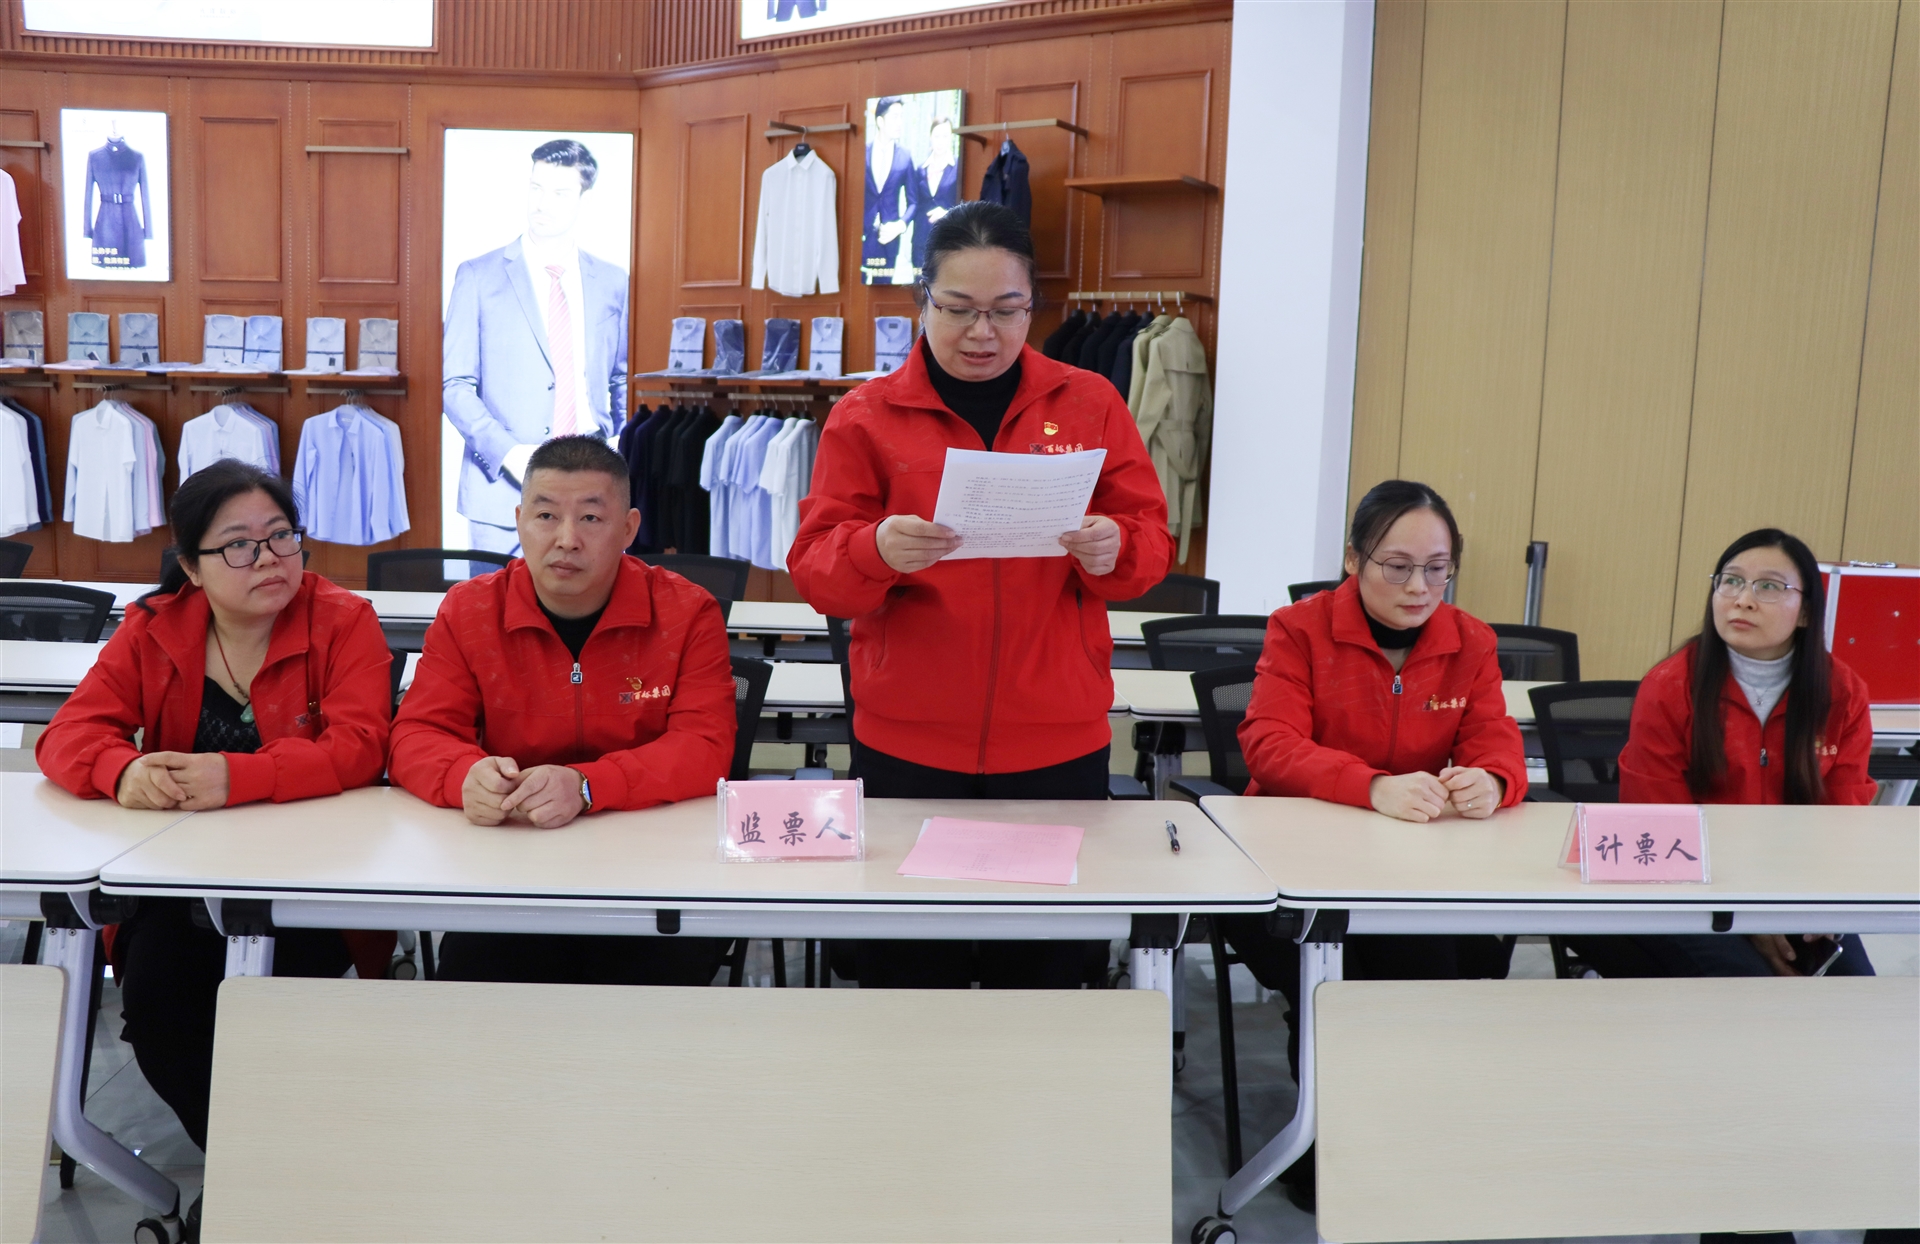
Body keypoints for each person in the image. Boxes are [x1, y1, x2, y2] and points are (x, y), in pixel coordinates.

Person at [788, 200, 1174, 988]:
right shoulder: (866, 416)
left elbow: (1150, 548)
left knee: (1039, 973)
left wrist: (1116, 546)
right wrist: (875, 548)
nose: (982, 332)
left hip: (1055, 741)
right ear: (922, 302)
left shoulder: (1089, 402)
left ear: (1034, 308)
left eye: (1006, 310)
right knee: (910, 970)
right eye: (958, 309)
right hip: (908, 744)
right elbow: (817, 572)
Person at [35, 460, 394, 1163]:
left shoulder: (343, 619)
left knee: (283, 1020)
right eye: (238, 545)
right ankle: (245, 1170)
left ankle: (283, 1168)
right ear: (191, 568)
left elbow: (362, 747)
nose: (268, 558)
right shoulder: (153, 629)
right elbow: (68, 734)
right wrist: (121, 770)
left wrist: (236, 776)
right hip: (178, 879)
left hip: (312, 876)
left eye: (281, 536)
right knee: (160, 1006)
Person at [1217, 478, 1527, 1211]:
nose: (1419, 587)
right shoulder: (1299, 628)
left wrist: (1492, 779)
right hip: (1290, 872)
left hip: (1412, 872)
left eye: (1438, 568)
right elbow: (1269, 744)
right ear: (1354, 560)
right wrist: (1371, 785)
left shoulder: (1470, 639)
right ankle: (1327, 1143)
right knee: (1338, 983)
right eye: (1397, 566)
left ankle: (1407, 1138)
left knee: (1428, 974)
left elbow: (1495, 738)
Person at [388, 435, 737, 985]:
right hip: (509, 868)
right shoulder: (471, 610)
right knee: (474, 1000)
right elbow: (416, 733)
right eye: (546, 515)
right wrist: (463, 777)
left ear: (629, 528)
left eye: (591, 518)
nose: (566, 539)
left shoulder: (686, 612)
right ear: (520, 520)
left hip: (652, 869)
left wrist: (586, 786)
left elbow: (704, 747)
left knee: (653, 1010)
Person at [1566, 529, 1878, 988]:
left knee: (1857, 992)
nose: (1743, 600)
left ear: (1807, 611)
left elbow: (1844, 815)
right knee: (1750, 987)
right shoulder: (1671, 686)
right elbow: (1659, 821)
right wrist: (1743, 917)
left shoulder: (1842, 692)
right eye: (1730, 581)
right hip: (1686, 890)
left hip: (1794, 887)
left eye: (1769, 586)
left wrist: (1820, 905)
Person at [443, 139, 630, 555]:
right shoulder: (477, 276)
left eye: (559, 192)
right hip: (502, 492)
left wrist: (620, 441)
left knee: (589, 597)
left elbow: (622, 377)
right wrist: (508, 453)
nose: (542, 203)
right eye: (536, 188)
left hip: (594, 486)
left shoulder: (613, 281)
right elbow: (454, 385)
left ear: (584, 198)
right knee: (494, 599)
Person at [861, 97, 914, 284]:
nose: (900, 123)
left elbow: (914, 202)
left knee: (882, 291)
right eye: (895, 117)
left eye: (901, 117)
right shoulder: (862, 153)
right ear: (880, 121)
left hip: (889, 239)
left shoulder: (905, 156)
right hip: (861, 237)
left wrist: (900, 225)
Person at [908, 116, 960, 273]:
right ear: (930, 137)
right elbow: (913, 203)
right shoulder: (920, 169)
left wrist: (947, 214)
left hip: (949, 242)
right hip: (921, 242)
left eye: (945, 136)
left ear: (951, 137)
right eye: (937, 136)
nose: (941, 141)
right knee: (920, 285)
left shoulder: (959, 167)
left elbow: (967, 204)